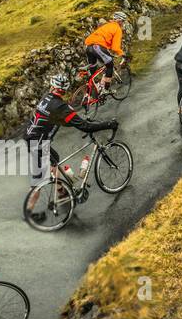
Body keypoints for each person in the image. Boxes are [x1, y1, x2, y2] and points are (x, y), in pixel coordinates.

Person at [22, 73, 119, 220]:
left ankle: (61, 190)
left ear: (53, 86)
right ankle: (27, 214)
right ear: (64, 90)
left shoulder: (46, 98)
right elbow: (85, 127)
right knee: (37, 182)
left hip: (32, 137)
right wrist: (108, 124)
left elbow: (60, 120)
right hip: (38, 143)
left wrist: (71, 120)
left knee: (55, 159)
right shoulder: (61, 107)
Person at [83, 11, 127, 91]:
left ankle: (90, 92)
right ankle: (105, 90)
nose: (123, 23)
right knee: (110, 65)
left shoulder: (107, 25)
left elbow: (103, 39)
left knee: (93, 68)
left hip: (88, 46)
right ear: (119, 21)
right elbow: (115, 47)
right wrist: (122, 54)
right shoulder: (117, 29)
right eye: (123, 21)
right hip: (97, 47)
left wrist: (106, 50)